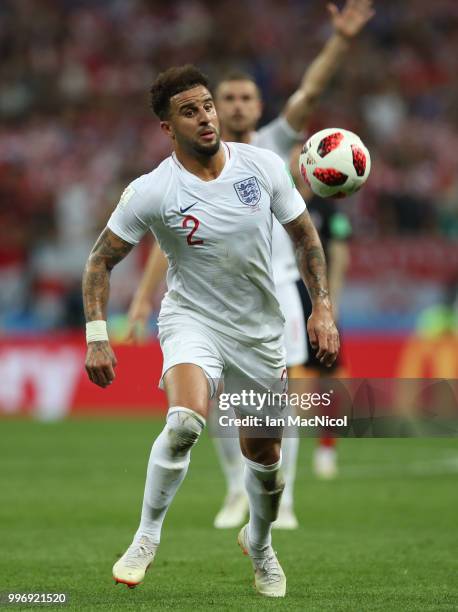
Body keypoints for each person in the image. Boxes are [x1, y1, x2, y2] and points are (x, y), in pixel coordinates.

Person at [82, 66, 338, 598]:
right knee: (184, 422)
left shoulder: (263, 166)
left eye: (207, 106)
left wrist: (322, 309)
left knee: (265, 459)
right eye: (189, 110)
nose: (205, 117)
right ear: (167, 127)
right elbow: (99, 263)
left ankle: (261, 544)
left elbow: (305, 237)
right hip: (191, 319)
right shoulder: (151, 191)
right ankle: (146, 537)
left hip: (259, 331)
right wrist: (97, 335)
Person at [126, 0, 374, 529]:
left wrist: (341, 40)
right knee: (214, 400)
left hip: (278, 293)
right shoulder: (181, 174)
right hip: (208, 297)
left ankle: (280, 500)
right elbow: (167, 240)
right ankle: (237, 491)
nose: (236, 106)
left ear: (260, 106)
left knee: (279, 402)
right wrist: (145, 297)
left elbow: (309, 91)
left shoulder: (272, 145)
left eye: (246, 97)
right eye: (229, 97)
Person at [290, 144, 352, 478]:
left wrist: (332, 302)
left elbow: (340, 253)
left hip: (320, 300)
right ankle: (289, 450)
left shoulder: (328, 209)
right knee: (293, 378)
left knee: (329, 378)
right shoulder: (278, 201)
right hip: (287, 300)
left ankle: (326, 449)